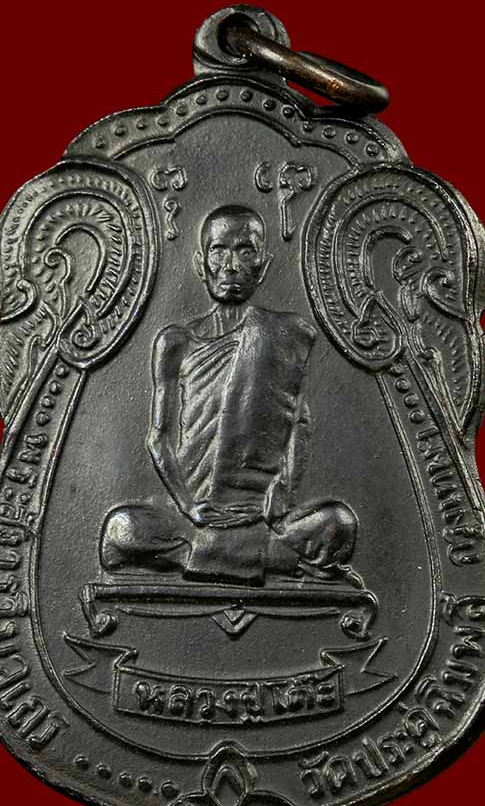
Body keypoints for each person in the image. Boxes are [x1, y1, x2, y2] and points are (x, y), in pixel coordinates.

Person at [100, 205, 357, 584]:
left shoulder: (289, 333)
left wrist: (282, 493)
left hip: (261, 513)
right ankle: (264, 559)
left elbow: (298, 423)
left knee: (339, 524)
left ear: (263, 267)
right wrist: (190, 507)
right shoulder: (176, 341)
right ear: (201, 263)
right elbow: (158, 438)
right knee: (122, 528)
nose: (232, 266)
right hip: (194, 512)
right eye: (219, 251)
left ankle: (202, 557)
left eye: (245, 251)